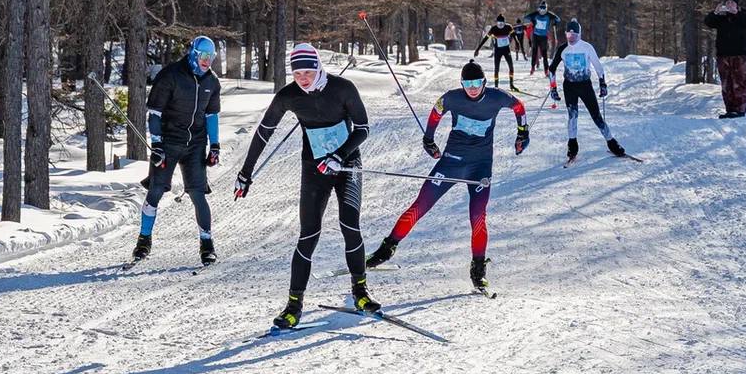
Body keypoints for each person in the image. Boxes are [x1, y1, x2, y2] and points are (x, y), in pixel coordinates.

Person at [233, 43, 374, 329]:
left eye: (308, 72)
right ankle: (293, 305)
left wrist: (339, 155)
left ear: (318, 67)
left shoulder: (342, 88)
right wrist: (245, 172)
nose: (303, 79)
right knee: (308, 233)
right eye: (297, 74)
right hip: (314, 168)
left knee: (349, 223)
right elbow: (264, 131)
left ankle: (360, 292)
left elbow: (363, 128)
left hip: (347, 165)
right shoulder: (289, 95)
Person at [366, 61, 529, 294]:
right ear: (461, 84)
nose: (472, 88)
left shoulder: (496, 97)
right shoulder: (452, 98)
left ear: (484, 82)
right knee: (420, 206)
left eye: (476, 83)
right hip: (451, 162)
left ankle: (478, 269)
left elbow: (519, 107)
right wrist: (429, 139)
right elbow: (436, 111)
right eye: (467, 83)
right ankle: (387, 249)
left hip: (480, 168)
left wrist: (523, 133)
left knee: (478, 217)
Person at [131, 36, 222, 264]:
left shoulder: (212, 82)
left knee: (198, 194)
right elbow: (155, 114)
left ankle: (207, 244)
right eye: (203, 56)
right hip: (169, 142)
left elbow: (211, 116)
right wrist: (158, 144)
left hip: (195, 144)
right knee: (156, 190)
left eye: (210, 57)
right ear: (193, 53)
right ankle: (144, 240)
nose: (206, 61)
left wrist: (215, 145)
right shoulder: (170, 75)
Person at [546, 19, 626, 162]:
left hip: (585, 86)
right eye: (569, 36)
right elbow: (551, 69)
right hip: (569, 86)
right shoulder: (563, 49)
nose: (571, 39)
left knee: (596, 116)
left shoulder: (587, 47)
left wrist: (603, 84)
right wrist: (553, 88)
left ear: (579, 35)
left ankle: (612, 143)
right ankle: (572, 146)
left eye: (574, 36)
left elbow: (598, 66)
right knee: (572, 117)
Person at [704, 0, 746, 118]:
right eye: (727, 3)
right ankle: (730, 109)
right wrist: (715, 12)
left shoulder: (742, 16)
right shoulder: (721, 19)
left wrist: (737, 13)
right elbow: (708, 22)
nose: (729, 5)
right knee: (727, 84)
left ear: (737, 5)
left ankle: (740, 109)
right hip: (723, 56)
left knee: (740, 83)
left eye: (732, 3)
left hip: (739, 55)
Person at [474, 15, 521, 92]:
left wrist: (517, 43)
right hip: (498, 51)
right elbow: (485, 38)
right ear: (496, 23)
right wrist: (478, 49)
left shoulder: (508, 27)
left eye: (502, 23)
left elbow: (514, 36)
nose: (500, 25)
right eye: (499, 23)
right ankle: (496, 86)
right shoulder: (493, 29)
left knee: (511, 67)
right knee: (496, 69)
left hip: (506, 50)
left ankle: (511, 85)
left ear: (504, 22)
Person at [524, 0, 561, 76]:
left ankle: (546, 70)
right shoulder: (536, 14)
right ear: (539, 9)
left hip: (544, 37)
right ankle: (532, 67)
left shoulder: (549, 15)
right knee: (534, 52)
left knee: (544, 54)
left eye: (544, 9)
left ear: (546, 9)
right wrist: (532, 20)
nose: (542, 11)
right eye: (541, 9)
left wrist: (555, 22)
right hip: (536, 36)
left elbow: (558, 19)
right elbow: (526, 17)